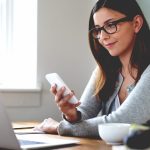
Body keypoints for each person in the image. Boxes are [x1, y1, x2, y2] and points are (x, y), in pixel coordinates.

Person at [34, 0, 150, 137]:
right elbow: (86, 112)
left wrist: (61, 127)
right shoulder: (104, 70)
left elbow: (124, 121)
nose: (103, 37)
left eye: (111, 25)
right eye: (98, 30)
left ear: (136, 24)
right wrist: (73, 115)